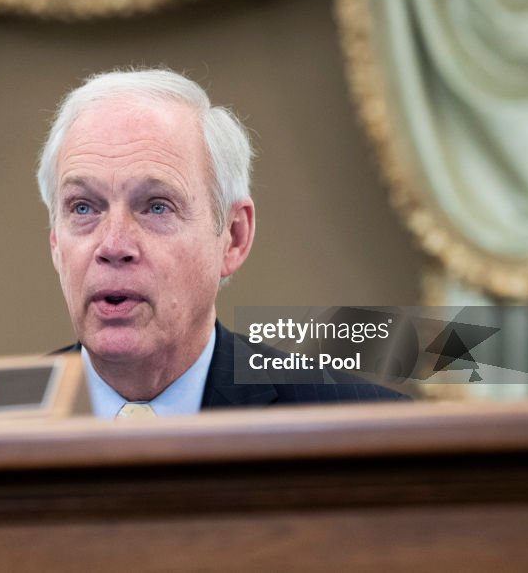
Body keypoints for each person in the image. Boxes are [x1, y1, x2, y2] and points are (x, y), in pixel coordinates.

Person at [37, 68, 406, 418]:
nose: (114, 245)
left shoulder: (368, 429)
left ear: (233, 237)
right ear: (56, 242)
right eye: (82, 207)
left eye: (156, 207)